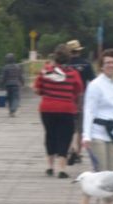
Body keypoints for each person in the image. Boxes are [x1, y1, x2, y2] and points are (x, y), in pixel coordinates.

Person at [34, 44, 84, 179]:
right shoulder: (73, 74)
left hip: (47, 109)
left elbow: (37, 89)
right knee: (65, 137)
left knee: (50, 135)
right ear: (68, 58)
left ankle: (50, 167)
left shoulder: (46, 71)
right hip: (66, 109)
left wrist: (48, 92)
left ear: (55, 57)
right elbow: (78, 91)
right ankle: (61, 169)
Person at [81, 48, 113, 176]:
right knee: (101, 173)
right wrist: (86, 135)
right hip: (98, 133)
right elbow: (89, 111)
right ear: (102, 66)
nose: (111, 65)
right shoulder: (95, 85)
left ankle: (110, 197)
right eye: (107, 62)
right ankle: (99, 195)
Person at [65, 39, 96, 165]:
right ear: (79, 51)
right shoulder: (86, 64)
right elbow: (93, 81)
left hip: (66, 97)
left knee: (68, 128)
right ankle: (78, 152)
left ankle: (69, 149)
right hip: (82, 98)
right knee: (80, 129)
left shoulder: (64, 65)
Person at [1, 53, 24, 117]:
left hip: (8, 85)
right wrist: (22, 82)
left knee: (9, 98)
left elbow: (4, 77)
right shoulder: (18, 67)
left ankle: (11, 110)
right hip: (16, 85)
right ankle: (13, 110)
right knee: (15, 98)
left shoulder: (5, 67)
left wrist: (2, 83)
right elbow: (20, 76)